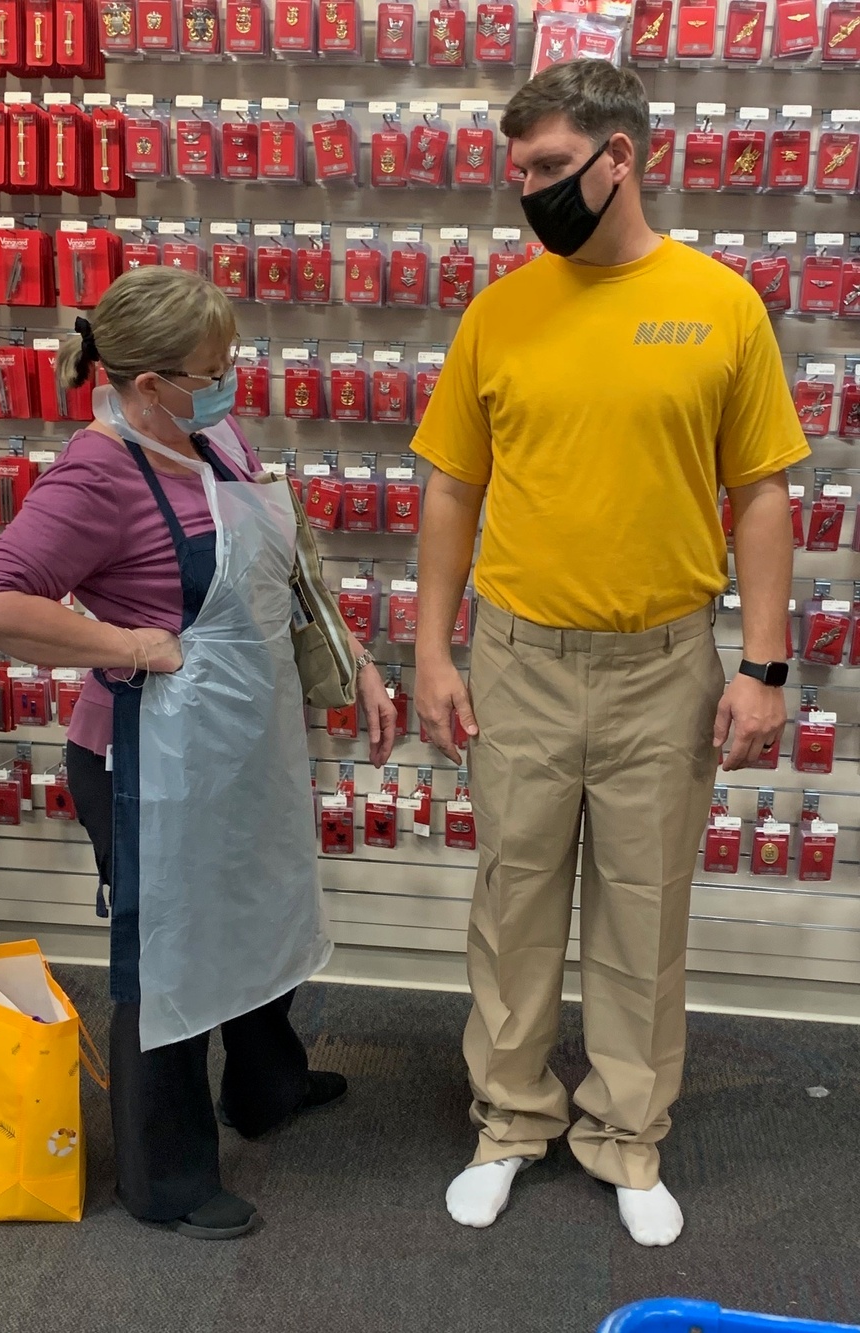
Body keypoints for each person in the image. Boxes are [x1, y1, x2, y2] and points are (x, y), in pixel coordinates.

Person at [411, 60, 809, 1248]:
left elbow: (760, 494)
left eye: (544, 167)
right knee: (513, 902)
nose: (525, 190)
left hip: (664, 666)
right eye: (516, 169)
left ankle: (626, 1135)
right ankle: (508, 1123)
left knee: (644, 912)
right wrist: (433, 652)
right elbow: (449, 490)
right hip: (520, 660)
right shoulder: (499, 309)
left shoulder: (720, 303)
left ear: (619, 156)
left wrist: (765, 663)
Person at [0, 267, 396, 1240]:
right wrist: (128, 645)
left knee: (255, 912)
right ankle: (162, 1179)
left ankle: (267, 1085)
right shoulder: (98, 470)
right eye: (209, 370)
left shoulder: (213, 436)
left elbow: (284, 565)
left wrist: (356, 658)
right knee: (165, 963)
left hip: (243, 741)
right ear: (146, 381)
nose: (227, 383)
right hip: (147, 761)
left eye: (227, 364)